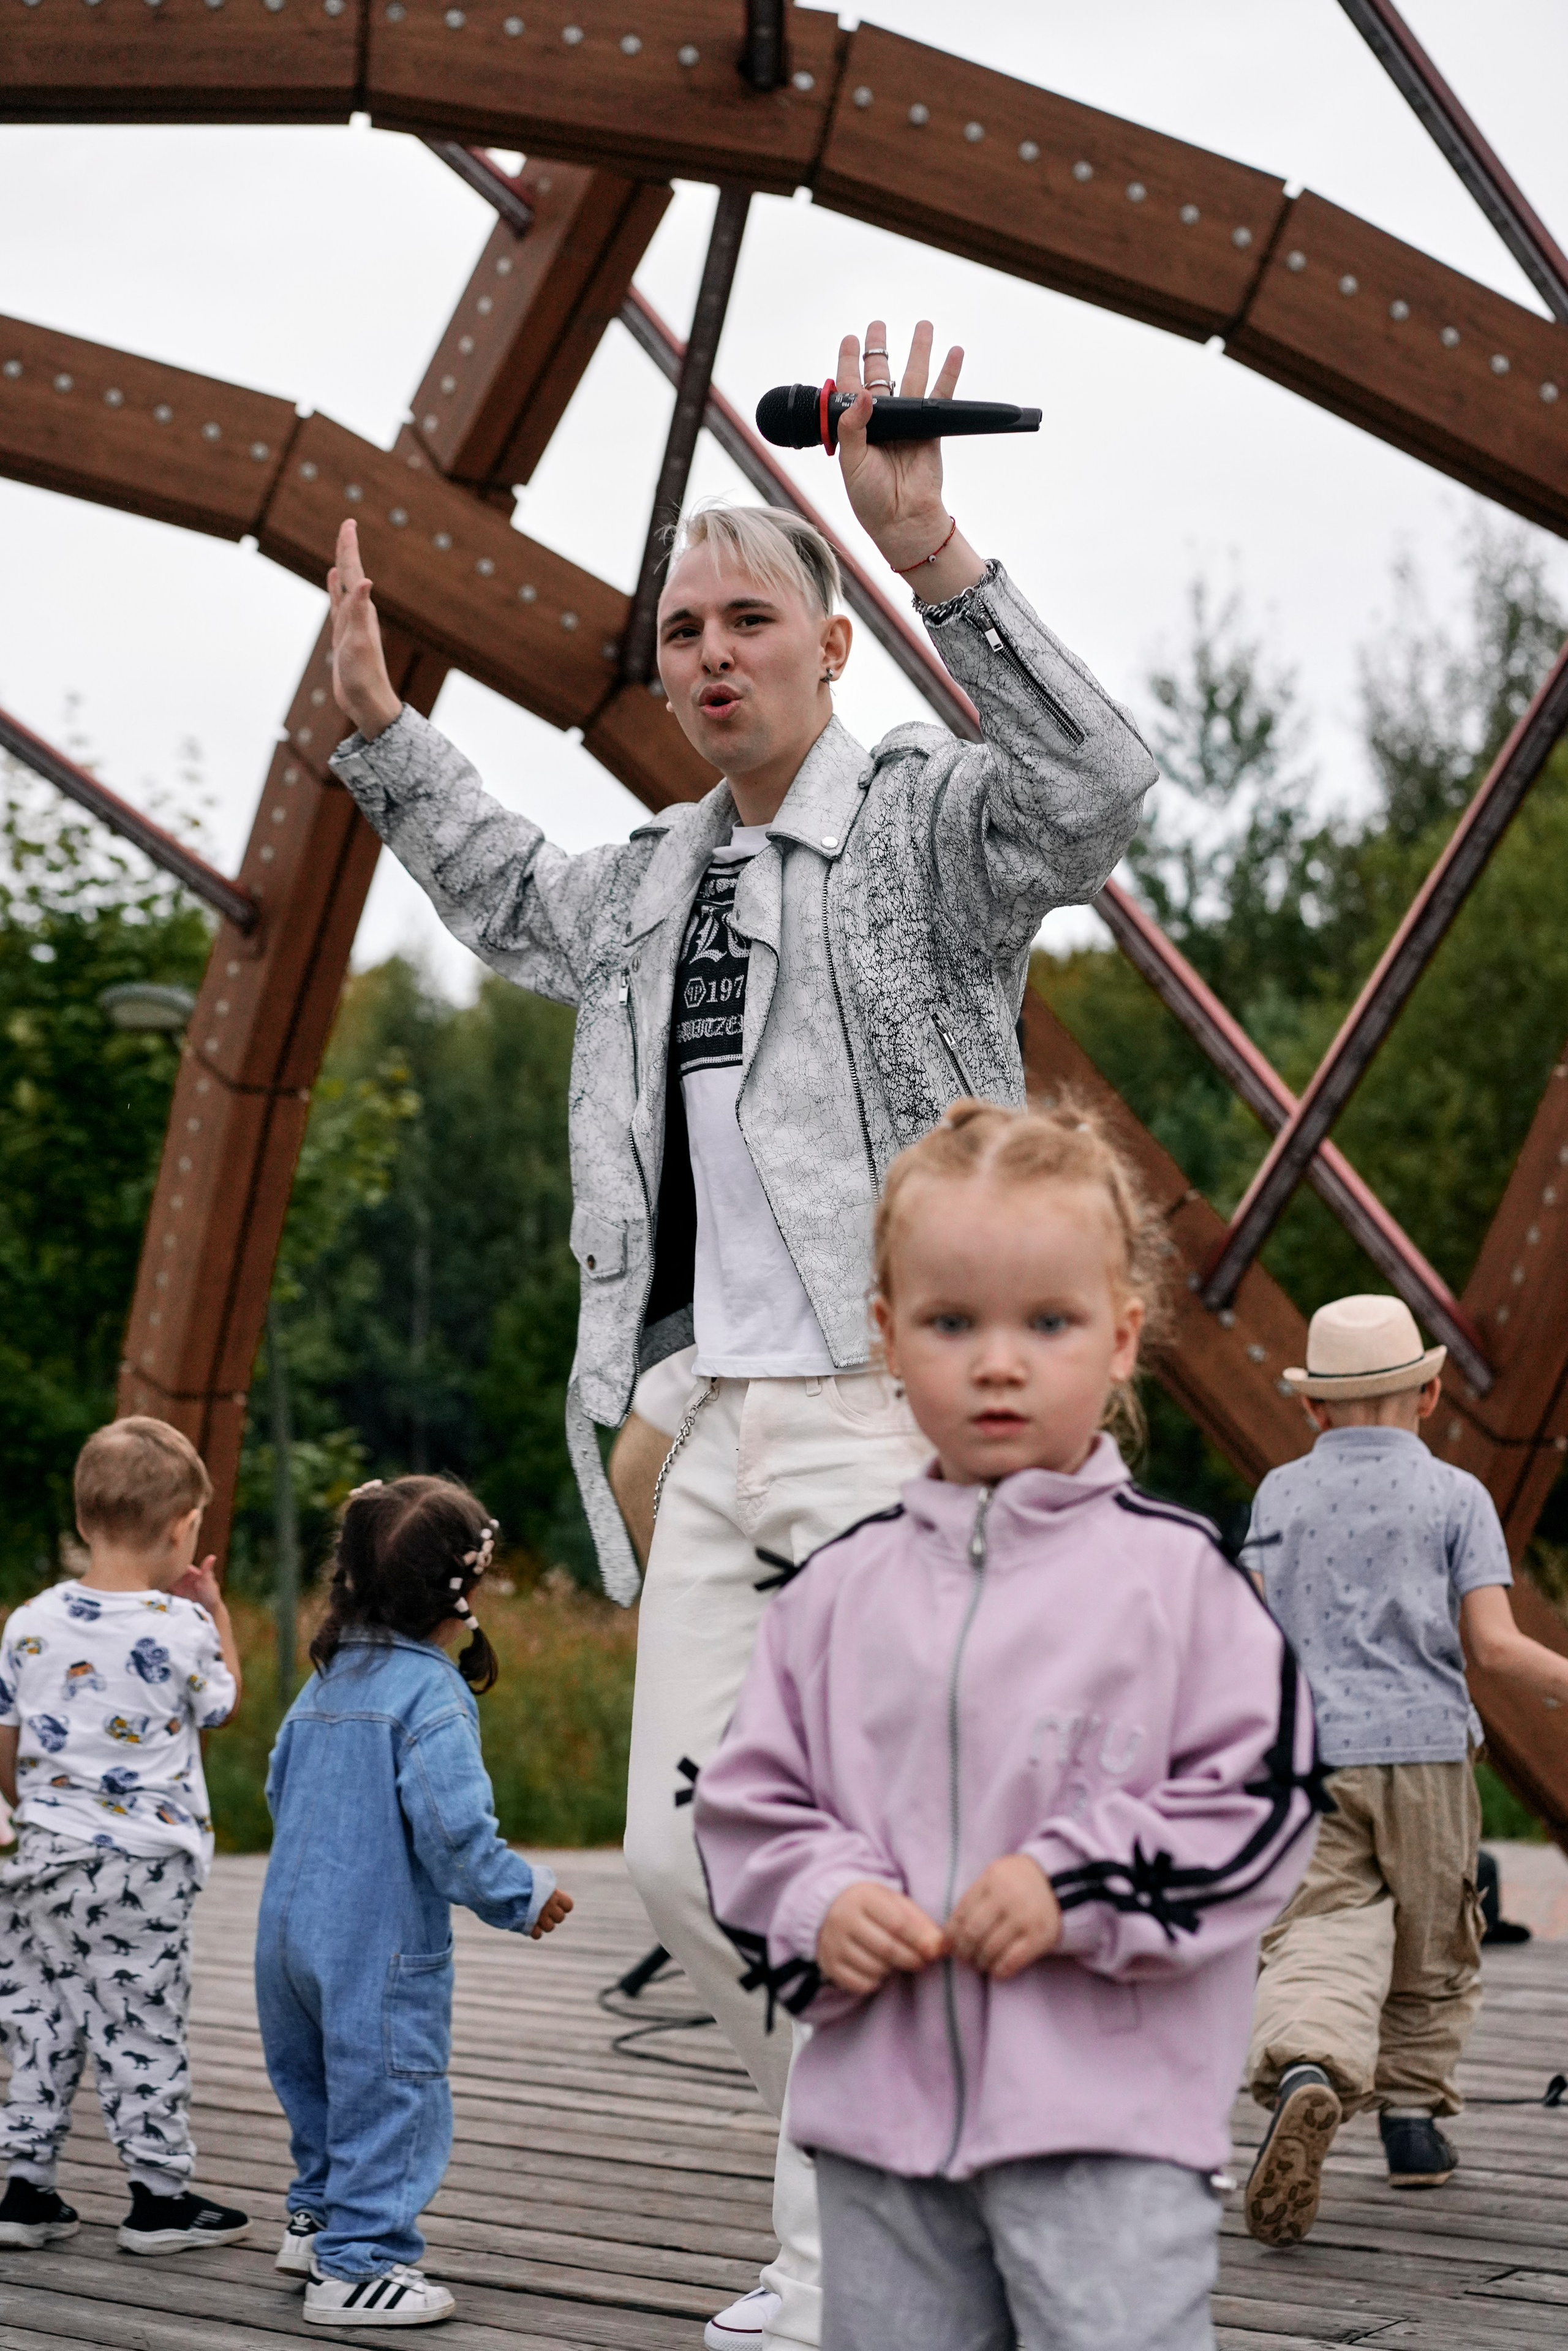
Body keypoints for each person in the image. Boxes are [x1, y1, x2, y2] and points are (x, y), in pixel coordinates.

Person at [325, 317, 1158, 2351]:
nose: (709, 655)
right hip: (707, 1426)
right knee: (686, 1858)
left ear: (830, 645)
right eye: (683, 629)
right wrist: (382, 734)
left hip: (900, 1424)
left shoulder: (925, 831)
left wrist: (929, 543)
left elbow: (1100, 789)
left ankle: (851, 2251)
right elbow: (508, 893)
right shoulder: (653, 884)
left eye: (749, 620)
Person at [693, 1100, 1324, 2351]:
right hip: (882, 2136)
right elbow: (746, 1807)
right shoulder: (834, 1593)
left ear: (1122, 1337)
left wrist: (1072, 1881)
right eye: (949, 1321)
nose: (997, 1361)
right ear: (886, 1336)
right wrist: (821, 1899)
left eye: (1047, 1321)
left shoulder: (1179, 1581)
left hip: (1108, 2130)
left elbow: (1264, 1801)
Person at [1242, 1293, 1568, 2247]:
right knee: (1434, 1942)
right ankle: (1413, 2124)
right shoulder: (1457, 1495)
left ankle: (1309, 2067)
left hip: (1307, 1755)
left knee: (1315, 1930)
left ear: (1313, 1406)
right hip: (1424, 1752)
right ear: (1428, 1395)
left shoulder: (1278, 1495)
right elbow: (1495, 1647)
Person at [256, 1475, 571, 2328]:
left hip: (286, 1940)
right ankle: (357, 2265)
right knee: (392, 2094)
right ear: (463, 1592)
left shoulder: (327, 1679)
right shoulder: (431, 1693)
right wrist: (522, 1894)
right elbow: (453, 1833)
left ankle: (316, 2219)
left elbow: (280, 1790)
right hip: (374, 1949)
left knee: (319, 2087)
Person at [0, 1416, 248, 2254]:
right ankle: (158, 2199)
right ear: (184, 1527)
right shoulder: (182, 1628)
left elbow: (7, 1743)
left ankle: (26, 2190)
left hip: (41, 1856)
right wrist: (215, 1610)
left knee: (38, 2017)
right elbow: (224, 1704)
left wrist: (39, 1815)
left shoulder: (29, 1623)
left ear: (82, 1517)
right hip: (143, 1869)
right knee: (142, 2021)